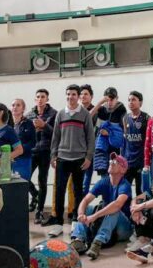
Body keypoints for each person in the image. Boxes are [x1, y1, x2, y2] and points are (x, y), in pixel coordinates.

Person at [44, 84, 95, 236]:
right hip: (62, 158)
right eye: (68, 94)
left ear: (78, 96)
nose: (70, 97)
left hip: (79, 158)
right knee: (59, 191)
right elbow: (56, 137)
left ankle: (75, 222)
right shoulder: (60, 114)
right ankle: (58, 223)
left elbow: (90, 137)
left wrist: (88, 157)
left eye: (73, 94)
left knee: (78, 191)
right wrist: (53, 155)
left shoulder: (85, 114)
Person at [70, 153, 133, 261]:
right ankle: (79, 239)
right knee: (88, 208)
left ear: (123, 170)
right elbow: (85, 200)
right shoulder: (103, 182)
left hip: (123, 228)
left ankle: (98, 242)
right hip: (109, 224)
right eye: (110, 161)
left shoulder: (125, 185)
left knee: (114, 210)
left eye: (115, 162)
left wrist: (94, 217)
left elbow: (117, 204)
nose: (111, 163)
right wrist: (81, 215)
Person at [28, 88, 57, 223]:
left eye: (43, 97)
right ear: (35, 99)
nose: (40, 99)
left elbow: (56, 134)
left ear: (47, 99)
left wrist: (44, 125)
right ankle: (35, 195)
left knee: (42, 181)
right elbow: (26, 133)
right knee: (24, 178)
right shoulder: (29, 115)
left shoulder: (54, 114)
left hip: (45, 151)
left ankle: (39, 211)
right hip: (32, 151)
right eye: (38, 97)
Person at [91, 87, 126, 176]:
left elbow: (122, 131)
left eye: (112, 99)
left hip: (114, 148)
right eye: (107, 99)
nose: (109, 102)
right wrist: (100, 103)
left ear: (117, 98)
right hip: (101, 148)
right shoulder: (102, 109)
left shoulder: (121, 109)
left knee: (113, 174)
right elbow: (88, 116)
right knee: (103, 174)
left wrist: (109, 133)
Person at [122, 91, 149, 196]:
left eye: (133, 100)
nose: (130, 102)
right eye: (129, 100)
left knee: (140, 191)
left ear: (140, 103)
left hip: (140, 162)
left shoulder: (146, 118)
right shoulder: (125, 118)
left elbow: (149, 141)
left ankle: (140, 212)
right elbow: (125, 140)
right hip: (128, 162)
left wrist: (147, 162)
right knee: (125, 191)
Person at [10, 98, 34, 187]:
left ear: (23, 108)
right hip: (9, 160)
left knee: (21, 187)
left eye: (18, 105)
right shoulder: (8, 124)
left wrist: (19, 150)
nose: (15, 107)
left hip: (23, 160)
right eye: (13, 105)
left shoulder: (28, 123)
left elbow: (32, 143)